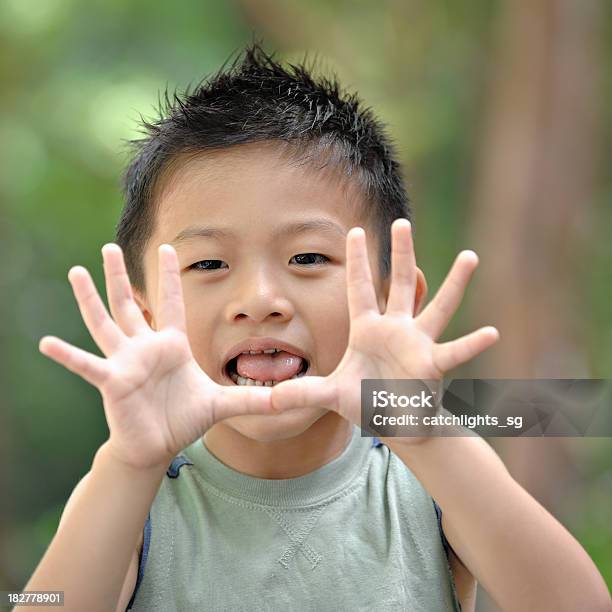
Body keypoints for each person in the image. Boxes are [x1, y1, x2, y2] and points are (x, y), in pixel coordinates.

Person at [23, 43, 611, 612]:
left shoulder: (432, 473)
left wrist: (425, 431)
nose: (259, 301)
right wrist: (128, 464)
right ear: (146, 315)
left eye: (308, 258)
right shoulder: (130, 494)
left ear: (391, 302)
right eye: (208, 264)